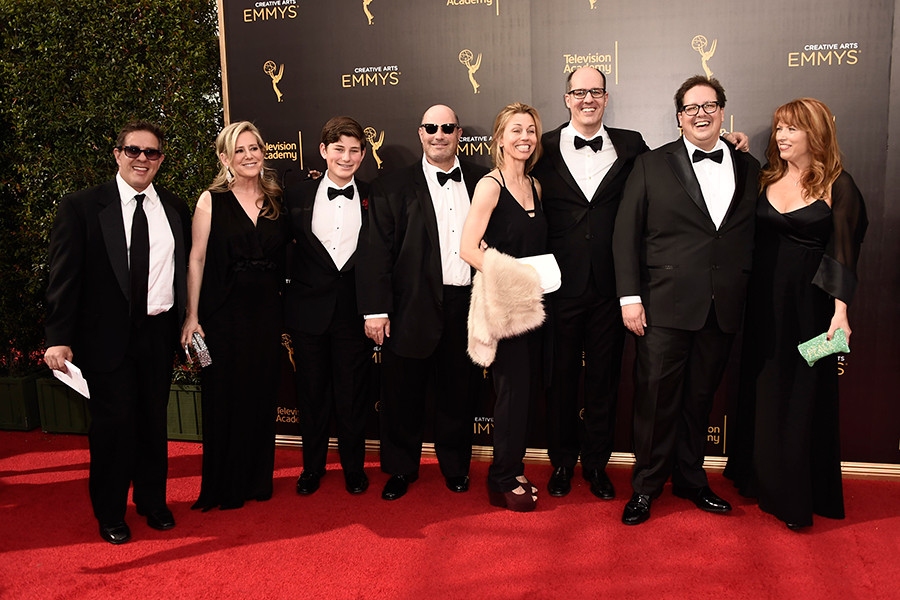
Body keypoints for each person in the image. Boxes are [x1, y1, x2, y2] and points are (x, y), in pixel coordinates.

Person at [612, 76, 760, 525]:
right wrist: (629, 297)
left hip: (722, 306)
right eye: (691, 107)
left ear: (722, 112)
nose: (701, 113)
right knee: (656, 400)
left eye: (710, 105)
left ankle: (693, 480)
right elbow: (625, 234)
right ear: (679, 117)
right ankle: (646, 487)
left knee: (699, 400)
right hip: (663, 306)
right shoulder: (651, 165)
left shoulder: (750, 167)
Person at [44, 120, 191, 544]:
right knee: (113, 425)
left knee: (152, 421)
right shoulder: (83, 207)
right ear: (117, 153)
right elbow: (63, 277)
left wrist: (186, 320)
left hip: (158, 334)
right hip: (105, 338)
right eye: (133, 150)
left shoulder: (175, 208)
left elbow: (182, 271)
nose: (142, 159)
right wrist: (58, 335)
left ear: (161, 159)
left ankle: (152, 502)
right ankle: (110, 512)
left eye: (152, 153)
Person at [724, 98, 867, 530]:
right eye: (779, 128)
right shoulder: (764, 177)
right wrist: (736, 149)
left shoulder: (838, 186)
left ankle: (794, 494)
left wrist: (840, 313)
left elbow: (844, 254)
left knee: (802, 395)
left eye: (792, 129)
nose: (782, 136)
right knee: (764, 388)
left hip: (811, 309)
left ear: (816, 134)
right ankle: (756, 478)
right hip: (762, 307)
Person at [357, 104, 487, 501]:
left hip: (464, 304)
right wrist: (376, 309)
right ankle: (400, 469)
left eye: (447, 127)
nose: (439, 134)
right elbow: (375, 252)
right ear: (420, 133)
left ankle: (455, 467)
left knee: (458, 393)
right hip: (410, 305)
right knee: (402, 394)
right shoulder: (391, 186)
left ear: (459, 134)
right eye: (431, 127)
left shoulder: (484, 182)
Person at [532, 66, 649, 500]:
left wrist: (730, 146)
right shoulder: (540, 148)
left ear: (605, 97)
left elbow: (675, 171)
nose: (587, 99)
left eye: (595, 92)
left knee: (603, 381)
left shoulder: (633, 145)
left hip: (609, 288)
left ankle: (597, 466)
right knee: (559, 381)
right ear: (566, 99)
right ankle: (561, 464)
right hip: (557, 287)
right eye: (578, 92)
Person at [181, 121, 289, 511]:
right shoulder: (211, 200)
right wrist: (192, 317)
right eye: (239, 150)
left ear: (264, 152)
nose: (249, 156)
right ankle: (222, 486)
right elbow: (196, 258)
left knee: (260, 395)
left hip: (266, 315)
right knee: (221, 395)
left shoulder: (277, 199)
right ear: (225, 158)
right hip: (219, 315)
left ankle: (256, 480)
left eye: (254, 148)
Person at [460, 102, 547, 512]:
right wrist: (512, 276)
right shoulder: (489, 185)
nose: (524, 138)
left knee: (525, 392)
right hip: (506, 307)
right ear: (499, 139)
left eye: (530, 130)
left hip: (536, 307)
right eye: (515, 130)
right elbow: (467, 249)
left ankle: (514, 469)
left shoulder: (536, 185)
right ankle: (500, 481)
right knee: (510, 394)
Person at [284, 116, 372, 496]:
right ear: (323, 150)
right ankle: (312, 468)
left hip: (355, 312)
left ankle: (354, 468)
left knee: (353, 395)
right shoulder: (296, 195)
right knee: (311, 393)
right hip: (307, 313)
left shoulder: (375, 196)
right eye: (339, 149)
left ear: (364, 154)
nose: (346, 157)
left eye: (354, 150)